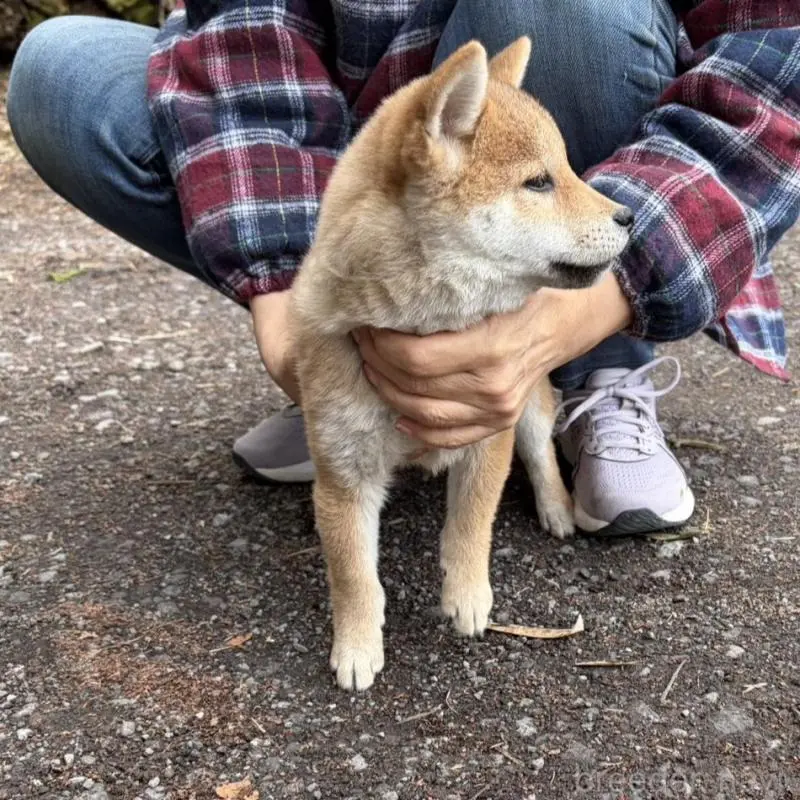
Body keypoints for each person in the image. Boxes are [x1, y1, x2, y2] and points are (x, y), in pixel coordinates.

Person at [7, 1, 800, 536]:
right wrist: (293, 299)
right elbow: (247, 26)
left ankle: (594, 367)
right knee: (62, 74)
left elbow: (777, 59)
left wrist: (608, 296)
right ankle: (372, 370)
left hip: (576, 76)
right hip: (375, 152)